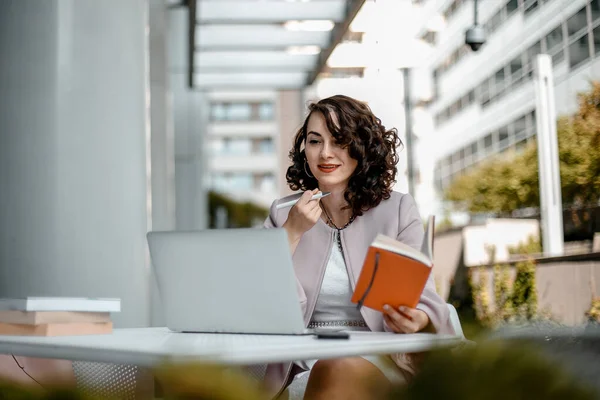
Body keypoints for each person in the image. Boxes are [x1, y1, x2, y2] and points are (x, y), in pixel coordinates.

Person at [262, 95, 454, 400]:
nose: (325, 153)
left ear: (362, 146)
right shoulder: (283, 214)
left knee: (336, 368)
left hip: (379, 354)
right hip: (297, 361)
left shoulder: (398, 209)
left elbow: (425, 296)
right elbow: (259, 302)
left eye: (339, 140)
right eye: (315, 141)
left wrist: (419, 318)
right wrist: (291, 233)